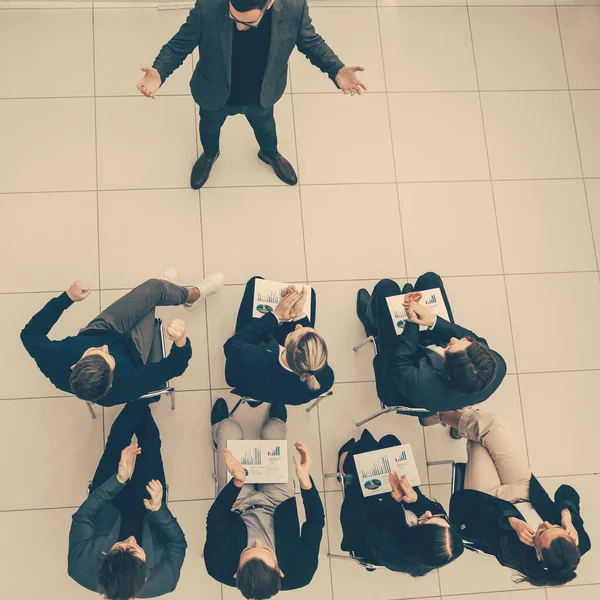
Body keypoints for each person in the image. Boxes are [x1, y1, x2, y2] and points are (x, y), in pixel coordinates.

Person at [137, 0, 367, 189]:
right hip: (215, 94)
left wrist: (335, 68)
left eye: (247, 23)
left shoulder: (294, 8)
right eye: (232, 17)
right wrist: (159, 72)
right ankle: (210, 154)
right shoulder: (208, 6)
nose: (238, 27)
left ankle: (269, 154)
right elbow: (178, 45)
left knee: (267, 129)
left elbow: (311, 42)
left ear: (269, 3)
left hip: (260, 95)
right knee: (208, 128)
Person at [425, 407, 591, 586]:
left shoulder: (513, 554)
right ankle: (454, 419)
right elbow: (566, 491)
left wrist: (511, 521)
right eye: (555, 526)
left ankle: (441, 414)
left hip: (490, 499)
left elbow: (466, 513)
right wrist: (567, 515)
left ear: (538, 553)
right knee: (492, 425)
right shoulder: (579, 542)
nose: (547, 523)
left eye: (542, 531)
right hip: (524, 487)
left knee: (479, 442)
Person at [20, 269, 224, 406]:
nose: (105, 348)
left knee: (154, 288)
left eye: (95, 351)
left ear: (76, 365)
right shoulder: (127, 386)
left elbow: (29, 333)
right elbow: (174, 367)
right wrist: (180, 341)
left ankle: (182, 295)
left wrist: (67, 297)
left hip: (102, 329)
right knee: (154, 293)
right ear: (110, 382)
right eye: (108, 358)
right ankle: (187, 294)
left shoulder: (51, 357)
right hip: (134, 349)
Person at [204, 398, 325, 598]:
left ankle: (218, 430)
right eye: (266, 550)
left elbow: (214, 519)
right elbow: (315, 521)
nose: (257, 543)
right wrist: (306, 484)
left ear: (236, 573)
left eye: (248, 549)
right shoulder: (303, 571)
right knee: (273, 430)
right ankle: (275, 425)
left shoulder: (217, 566)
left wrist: (237, 482)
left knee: (228, 429)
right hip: (278, 502)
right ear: (280, 570)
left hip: (238, 505)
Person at [68, 401, 187, 598]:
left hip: (107, 502)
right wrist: (159, 510)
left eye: (121, 546)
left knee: (117, 441)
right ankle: (140, 393)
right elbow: (177, 544)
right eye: (135, 548)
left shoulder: (79, 566)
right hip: (149, 509)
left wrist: (118, 479)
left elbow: (83, 517)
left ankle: (140, 394)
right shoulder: (166, 580)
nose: (131, 538)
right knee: (150, 441)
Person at [356, 272, 506, 414]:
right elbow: (475, 338)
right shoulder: (496, 366)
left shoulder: (424, 384)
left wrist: (413, 320)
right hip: (430, 353)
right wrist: (433, 321)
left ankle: (371, 324)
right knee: (430, 280)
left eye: (451, 346)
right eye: (466, 342)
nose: (453, 339)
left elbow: (400, 362)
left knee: (386, 288)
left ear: (445, 364)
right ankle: (409, 302)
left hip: (402, 371)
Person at [336, 429, 464, 575]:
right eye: (438, 518)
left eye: (425, 520)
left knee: (364, 447)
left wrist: (392, 500)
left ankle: (345, 470)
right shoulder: (440, 539)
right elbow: (430, 510)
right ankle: (369, 452)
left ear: (415, 533)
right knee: (390, 441)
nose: (428, 513)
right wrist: (415, 498)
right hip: (396, 507)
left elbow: (370, 516)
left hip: (368, 519)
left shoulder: (387, 547)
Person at [224, 276, 334, 407]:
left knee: (255, 282)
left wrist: (275, 316)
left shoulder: (253, 358)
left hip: (253, 378)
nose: (299, 326)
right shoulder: (326, 378)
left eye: (295, 331)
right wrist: (298, 313)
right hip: (280, 391)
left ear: (286, 347)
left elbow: (231, 345)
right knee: (312, 295)